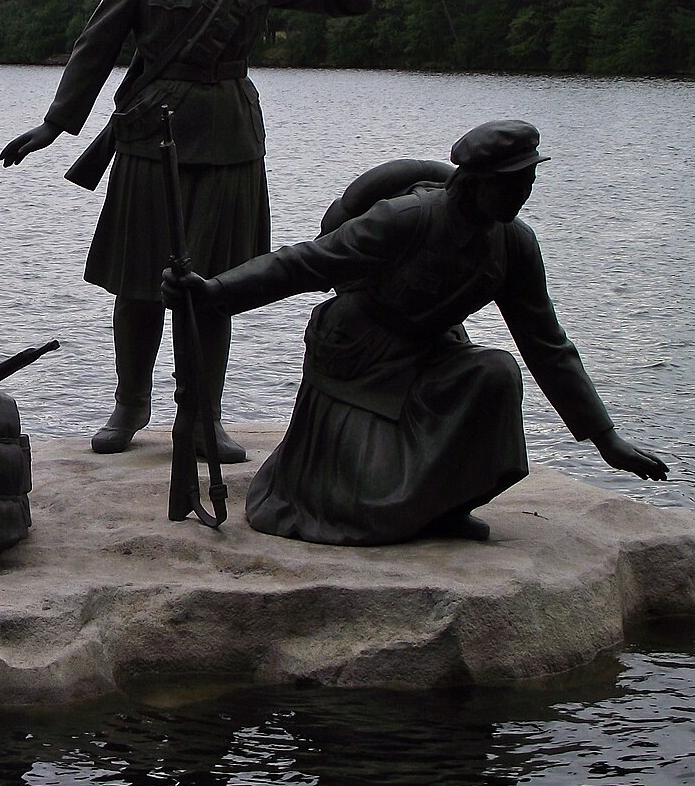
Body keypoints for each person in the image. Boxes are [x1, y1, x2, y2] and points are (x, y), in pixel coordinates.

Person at [0, 0, 375, 461]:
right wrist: (56, 124)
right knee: (138, 280)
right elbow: (99, 42)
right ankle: (130, 404)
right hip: (152, 132)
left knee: (215, 286)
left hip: (230, 136)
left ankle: (201, 416)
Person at [163, 120, 669, 545]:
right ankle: (369, 498)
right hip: (360, 357)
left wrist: (605, 439)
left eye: (528, 181)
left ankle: (446, 507)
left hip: (430, 354)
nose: (522, 193)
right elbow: (306, 264)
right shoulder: (406, 219)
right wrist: (216, 291)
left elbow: (547, 345)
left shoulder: (514, 246)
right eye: (510, 183)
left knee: (497, 374)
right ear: (474, 181)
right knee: (357, 506)